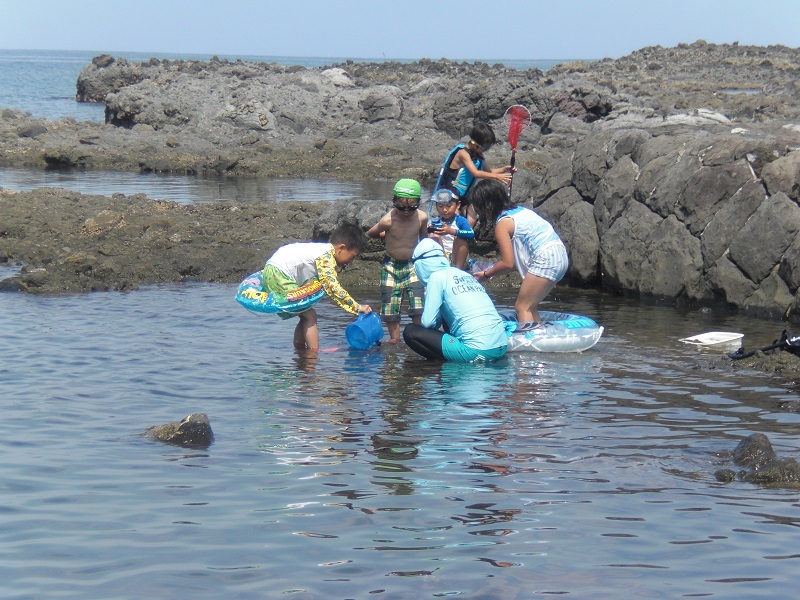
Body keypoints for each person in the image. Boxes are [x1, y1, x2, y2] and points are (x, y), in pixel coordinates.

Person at [262, 221, 372, 352]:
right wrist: (357, 307)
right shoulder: (325, 257)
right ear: (341, 248)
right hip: (279, 275)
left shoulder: (321, 249)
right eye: (353, 256)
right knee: (310, 315)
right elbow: (332, 287)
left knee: (304, 314)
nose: (351, 261)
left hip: (271, 271)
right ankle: (313, 354)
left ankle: (300, 351)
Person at [470, 179, 569, 324]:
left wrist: (486, 275)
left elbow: (508, 264)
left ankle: (529, 342)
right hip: (560, 255)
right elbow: (516, 261)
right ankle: (538, 335)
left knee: (522, 307)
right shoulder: (522, 211)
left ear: (486, 206)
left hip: (545, 258)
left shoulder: (503, 224)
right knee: (531, 305)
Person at [402, 238, 508, 363]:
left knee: (410, 331)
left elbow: (428, 323)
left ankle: (441, 364)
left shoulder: (436, 277)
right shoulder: (463, 274)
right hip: (501, 347)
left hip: (478, 353)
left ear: (420, 265)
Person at [367, 178, 429, 342]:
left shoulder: (422, 217)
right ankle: (395, 339)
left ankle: (419, 335)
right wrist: (386, 233)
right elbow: (371, 233)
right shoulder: (388, 221)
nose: (406, 211)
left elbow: (424, 239)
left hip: (413, 264)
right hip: (391, 265)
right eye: (401, 207)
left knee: (417, 303)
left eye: (412, 207)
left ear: (419, 203)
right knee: (390, 303)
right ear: (394, 202)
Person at [433, 122, 514, 227]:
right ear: (474, 143)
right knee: (454, 218)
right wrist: (497, 177)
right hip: (451, 193)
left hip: (464, 196)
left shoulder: (478, 155)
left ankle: (464, 238)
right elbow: (476, 173)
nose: (485, 151)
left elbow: (489, 172)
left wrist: (504, 169)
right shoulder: (463, 153)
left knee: (472, 219)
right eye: (485, 148)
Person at [427, 186, 474, 270]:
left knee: (460, 238)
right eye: (440, 206)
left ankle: (458, 270)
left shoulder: (460, 220)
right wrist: (426, 229)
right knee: (433, 237)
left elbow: (471, 234)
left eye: (448, 206)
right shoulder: (435, 221)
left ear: (458, 205)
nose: (444, 210)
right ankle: (442, 265)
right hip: (442, 256)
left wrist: (451, 231)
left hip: (458, 257)